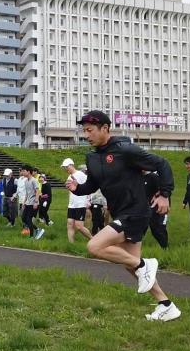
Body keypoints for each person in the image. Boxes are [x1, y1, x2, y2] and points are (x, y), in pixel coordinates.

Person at [66, 111, 180, 322]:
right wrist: (77, 188)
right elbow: (93, 185)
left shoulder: (125, 149)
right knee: (130, 264)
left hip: (136, 211)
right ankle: (166, 305)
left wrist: (164, 195)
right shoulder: (92, 157)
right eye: (84, 131)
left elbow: (162, 164)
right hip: (120, 212)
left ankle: (145, 265)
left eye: (90, 130)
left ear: (105, 128)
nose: (86, 135)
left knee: (94, 246)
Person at [62, 158, 92, 242]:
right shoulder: (69, 177)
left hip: (80, 204)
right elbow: (70, 191)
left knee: (79, 226)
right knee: (70, 224)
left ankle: (92, 239)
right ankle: (71, 244)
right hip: (72, 205)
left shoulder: (81, 174)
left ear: (71, 165)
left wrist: (88, 200)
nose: (65, 169)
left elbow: (89, 187)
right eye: (64, 167)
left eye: (66, 167)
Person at [143, 170, 169, 249]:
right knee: (140, 228)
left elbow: (164, 191)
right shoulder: (138, 177)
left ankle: (165, 247)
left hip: (155, 208)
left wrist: (157, 195)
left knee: (157, 229)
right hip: (143, 208)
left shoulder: (153, 177)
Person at [20, 164, 44, 239]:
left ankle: (31, 236)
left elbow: (37, 191)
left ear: (28, 171)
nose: (23, 173)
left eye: (24, 171)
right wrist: (24, 202)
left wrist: (36, 202)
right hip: (27, 203)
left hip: (33, 203)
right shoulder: (26, 181)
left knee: (28, 219)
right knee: (24, 218)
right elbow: (27, 193)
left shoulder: (34, 180)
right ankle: (37, 229)